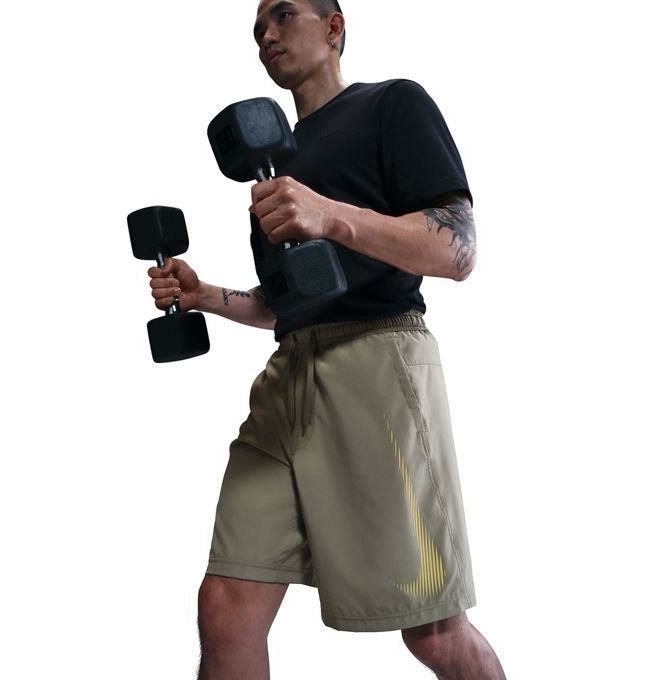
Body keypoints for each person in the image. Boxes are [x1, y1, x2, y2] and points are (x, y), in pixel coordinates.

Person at [148, 1, 507, 678]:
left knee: (433, 630)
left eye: (284, 15)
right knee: (226, 606)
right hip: (288, 380)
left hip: (377, 366)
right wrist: (206, 297)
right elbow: (290, 301)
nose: (267, 34)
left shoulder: (392, 104)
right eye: (257, 29)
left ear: (335, 27)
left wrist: (330, 215)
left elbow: (458, 250)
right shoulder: (273, 163)